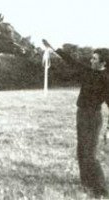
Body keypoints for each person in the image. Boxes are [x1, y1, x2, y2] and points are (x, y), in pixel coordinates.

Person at [42, 39, 109, 197]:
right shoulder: (87, 71)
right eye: (91, 57)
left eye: (94, 58)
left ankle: (101, 189)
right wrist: (53, 48)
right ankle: (86, 182)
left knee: (90, 154)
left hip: (93, 117)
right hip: (81, 114)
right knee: (81, 151)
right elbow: (70, 60)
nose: (91, 60)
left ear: (103, 63)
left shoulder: (106, 79)